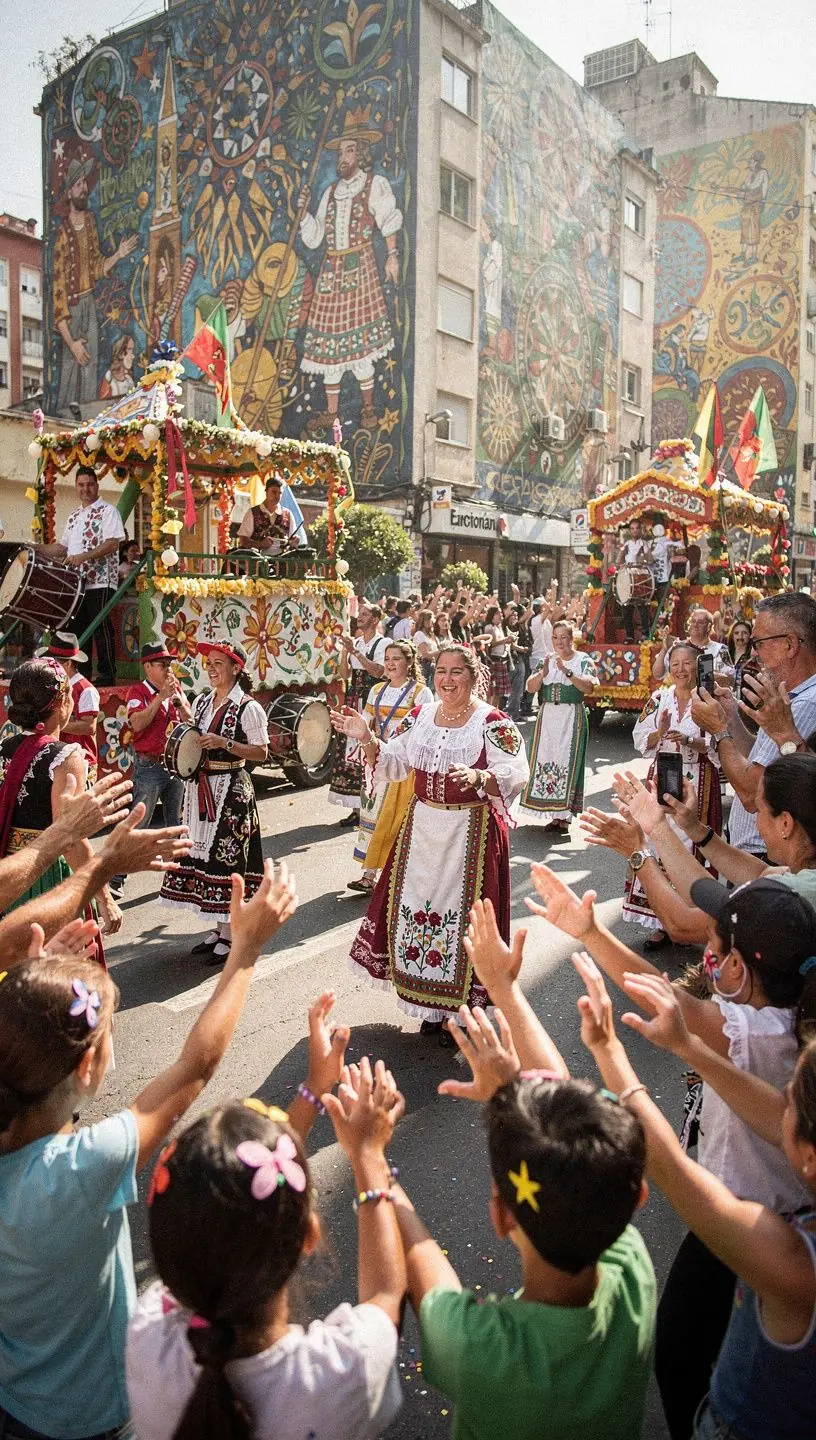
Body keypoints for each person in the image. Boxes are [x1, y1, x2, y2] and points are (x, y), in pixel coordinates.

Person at [0, 858, 298, 1440]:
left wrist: (29, 993)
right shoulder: (81, 1171)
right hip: (93, 1417)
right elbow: (196, 1066)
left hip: (17, 1404)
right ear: (88, 1067)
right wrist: (245, 952)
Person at [527, 863, 816, 1440]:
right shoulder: (794, 1026)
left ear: (737, 966)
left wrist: (589, 933)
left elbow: (656, 996)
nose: (705, 958)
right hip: (781, 1213)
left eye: (713, 946)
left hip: (748, 1219)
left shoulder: (752, 1031)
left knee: (682, 1347)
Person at [389, 904, 656, 1440]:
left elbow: (422, 1272)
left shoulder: (485, 1350)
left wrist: (372, 1159)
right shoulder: (632, 1271)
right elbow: (576, 1130)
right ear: (637, 1197)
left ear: (501, 1215)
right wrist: (510, 1081)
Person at [127, 1048, 405, 1440]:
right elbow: (386, 1296)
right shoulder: (340, 1376)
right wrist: (368, 1154)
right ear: (310, 1236)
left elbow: (249, 1198)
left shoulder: (148, 1330)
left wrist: (312, 1088)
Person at [333, 645, 528, 1038]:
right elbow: (393, 762)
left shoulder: (492, 721)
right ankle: (431, 1004)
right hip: (422, 830)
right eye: (441, 671)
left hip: (470, 833)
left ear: (473, 677)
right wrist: (368, 737)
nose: (447, 680)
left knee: (464, 920)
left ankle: (462, 1008)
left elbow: (515, 771)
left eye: (457, 672)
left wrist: (481, 779)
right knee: (419, 910)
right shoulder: (421, 717)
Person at [581, 753, 816, 948]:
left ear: (785, 823)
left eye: (760, 810)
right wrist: (693, 828)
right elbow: (758, 872)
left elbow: (683, 924)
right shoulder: (801, 879)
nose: (755, 820)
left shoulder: (795, 894)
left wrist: (638, 851)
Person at [160, 640, 269, 964]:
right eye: (209, 663)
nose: (211, 668)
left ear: (236, 668)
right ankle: (220, 928)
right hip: (202, 787)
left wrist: (226, 743)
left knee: (227, 862)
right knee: (205, 860)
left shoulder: (249, 707)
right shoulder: (206, 700)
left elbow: (262, 752)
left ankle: (232, 933)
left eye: (219, 663)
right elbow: (198, 731)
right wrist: (182, 707)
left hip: (231, 791)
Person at [298, 110, 403, 432]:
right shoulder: (329, 193)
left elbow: (388, 219)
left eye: (349, 151)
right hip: (332, 269)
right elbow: (315, 238)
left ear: (361, 153)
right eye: (340, 152)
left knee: (361, 347)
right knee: (330, 348)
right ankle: (332, 413)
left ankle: (369, 408)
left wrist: (393, 255)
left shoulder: (375, 184)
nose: (343, 158)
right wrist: (302, 213)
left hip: (360, 266)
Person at [692, 592, 816, 859]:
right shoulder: (789, 698)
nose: (754, 652)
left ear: (790, 645)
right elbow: (759, 759)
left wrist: (718, 730)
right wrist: (729, 716)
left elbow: (751, 794)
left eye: (758, 642)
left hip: (769, 857)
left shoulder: (807, 704)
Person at [0, 657, 119, 936]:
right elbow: (70, 840)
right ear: (62, 703)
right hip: (45, 877)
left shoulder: (5, 748)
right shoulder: (66, 756)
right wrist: (104, 897)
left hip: (8, 872)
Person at [623, 642, 721, 948]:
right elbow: (641, 739)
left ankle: (692, 917)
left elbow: (720, 742)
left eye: (687, 663)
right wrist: (660, 731)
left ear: (698, 666)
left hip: (698, 781)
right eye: (675, 663)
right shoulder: (659, 698)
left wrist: (692, 739)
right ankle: (662, 919)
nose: (680, 669)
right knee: (658, 841)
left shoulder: (708, 699)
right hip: (664, 777)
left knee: (692, 844)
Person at [108, 642, 193, 903]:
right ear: (147, 667)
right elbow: (137, 723)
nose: (168, 669)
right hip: (149, 766)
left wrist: (178, 703)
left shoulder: (175, 688)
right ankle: (116, 878)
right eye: (162, 665)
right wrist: (160, 698)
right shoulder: (139, 691)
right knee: (139, 823)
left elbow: (189, 719)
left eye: (169, 664)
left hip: (174, 764)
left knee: (175, 822)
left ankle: (178, 874)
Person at [350, 641, 432, 895]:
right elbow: (365, 722)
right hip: (377, 756)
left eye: (396, 658)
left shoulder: (420, 693)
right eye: (387, 658)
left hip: (404, 762)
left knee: (396, 817)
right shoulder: (376, 690)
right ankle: (368, 874)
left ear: (409, 662)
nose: (390, 663)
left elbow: (424, 729)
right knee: (372, 815)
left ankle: (392, 873)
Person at [40, 466, 125, 688]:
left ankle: (107, 675)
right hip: (77, 584)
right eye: (81, 485)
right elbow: (62, 548)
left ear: (96, 486)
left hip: (101, 581)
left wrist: (83, 557)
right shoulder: (74, 515)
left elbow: (113, 543)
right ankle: (82, 675)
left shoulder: (108, 511)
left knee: (101, 628)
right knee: (79, 630)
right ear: (76, 487)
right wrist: (36, 550)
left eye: (89, 484)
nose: (85, 489)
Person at [519, 621, 597, 834]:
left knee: (567, 759)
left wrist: (568, 673)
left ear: (571, 639)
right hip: (548, 717)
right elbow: (530, 687)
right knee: (547, 758)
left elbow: (589, 688)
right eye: (556, 637)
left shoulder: (583, 660)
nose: (560, 641)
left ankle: (564, 816)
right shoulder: (547, 660)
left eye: (564, 637)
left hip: (571, 715)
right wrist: (543, 673)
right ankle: (554, 813)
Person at [328, 604, 388, 820]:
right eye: (359, 614)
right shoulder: (358, 642)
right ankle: (357, 807)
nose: (359, 617)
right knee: (351, 751)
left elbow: (378, 671)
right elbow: (344, 674)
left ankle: (376, 803)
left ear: (375, 620)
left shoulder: (384, 643)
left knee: (371, 748)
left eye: (364, 614)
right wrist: (345, 651)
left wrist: (355, 651)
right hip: (355, 697)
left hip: (373, 700)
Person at [35, 632, 99, 783]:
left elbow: (89, 727)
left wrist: (54, 725)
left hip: (82, 762)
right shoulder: (54, 686)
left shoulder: (86, 690)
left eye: (53, 662)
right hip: (59, 759)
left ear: (68, 664)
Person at [653, 606, 734, 682]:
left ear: (709, 627)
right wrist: (664, 649)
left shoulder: (720, 649)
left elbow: (731, 679)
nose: (695, 625)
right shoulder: (678, 646)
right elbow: (658, 675)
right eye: (693, 621)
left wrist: (706, 675)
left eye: (700, 622)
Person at [235, 476, 304, 555]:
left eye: (280, 493)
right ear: (266, 491)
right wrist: (259, 545)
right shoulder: (252, 513)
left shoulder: (288, 514)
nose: (277, 496)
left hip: (281, 562)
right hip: (257, 562)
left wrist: (294, 542)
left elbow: (292, 539)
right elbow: (243, 540)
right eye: (274, 492)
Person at [616, 520, 652, 642]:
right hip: (628, 577)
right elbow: (619, 562)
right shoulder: (627, 545)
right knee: (626, 607)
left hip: (640, 576)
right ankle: (629, 636)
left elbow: (650, 561)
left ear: (641, 530)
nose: (635, 530)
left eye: (637, 528)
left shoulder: (645, 544)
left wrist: (644, 555)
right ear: (630, 530)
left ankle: (645, 634)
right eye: (632, 528)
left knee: (642, 607)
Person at [478, 605, 511, 709]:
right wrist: (505, 640)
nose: (500, 615)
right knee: (492, 691)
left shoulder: (499, 627)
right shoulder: (489, 627)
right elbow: (490, 644)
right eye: (497, 613)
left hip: (502, 660)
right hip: (493, 660)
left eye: (500, 613)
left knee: (498, 693)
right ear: (492, 615)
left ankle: (495, 711)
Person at [413, 608, 438, 687]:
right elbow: (425, 655)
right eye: (427, 619)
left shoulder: (432, 635)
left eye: (430, 619)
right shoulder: (419, 634)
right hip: (425, 668)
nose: (429, 621)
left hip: (434, 667)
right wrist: (442, 651)